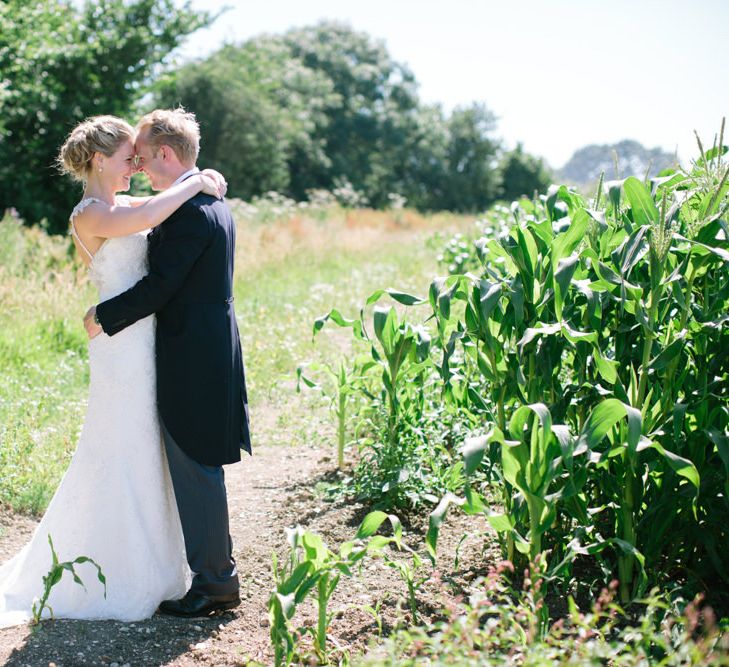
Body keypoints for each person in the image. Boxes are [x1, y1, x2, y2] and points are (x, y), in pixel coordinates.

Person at [0, 114, 226, 627]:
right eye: (129, 158)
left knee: (149, 448)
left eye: (140, 158)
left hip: (147, 339)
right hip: (119, 343)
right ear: (101, 160)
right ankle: (117, 563)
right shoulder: (92, 215)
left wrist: (198, 178)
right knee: (119, 446)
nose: (138, 165)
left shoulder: (123, 204)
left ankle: (163, 562)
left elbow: (157, 206)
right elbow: (156, 212)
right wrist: (196, 180)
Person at [84, 108, 252, 618]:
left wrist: (103, 315)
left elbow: (161, 287)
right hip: (205, 343)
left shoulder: (190, 211)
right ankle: (213, 570)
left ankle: (216, 582)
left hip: (193, 353)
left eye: (142, 154)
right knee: (196, 462)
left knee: (196, 463)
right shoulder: (203, 201)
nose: (137, 162)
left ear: (165, 154)